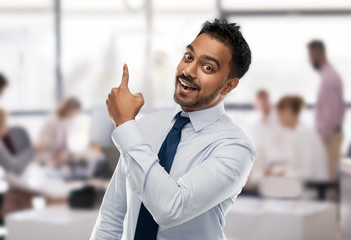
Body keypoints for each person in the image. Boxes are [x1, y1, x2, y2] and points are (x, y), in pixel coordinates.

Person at [91, 19, 255, 240]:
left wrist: (125, 124)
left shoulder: (236, 147)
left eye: (207, 67)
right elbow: (114, 213)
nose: (188, 71)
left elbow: (171, 208)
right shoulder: (146, 126)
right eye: (188, 57)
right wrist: (130, 126)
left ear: (229, 85)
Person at [307, 40, 345, 181]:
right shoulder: (328, 75)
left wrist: (322, 137)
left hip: (330, 137)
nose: (309, 61)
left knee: (329, 178)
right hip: (331, 134)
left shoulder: (329, 78)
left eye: (310, 57)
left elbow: (332, 113)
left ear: (317, 55)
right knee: (329, 176)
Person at [273, 96, 329, 183]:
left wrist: (284, 174)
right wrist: (281, 171)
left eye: (279, 114)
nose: (278, 119)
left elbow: (306, 173)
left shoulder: (303, 134)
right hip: (306, 186)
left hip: (313, 190)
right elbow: (297, 166)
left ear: (287, 111)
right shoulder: (299, 131)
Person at [36, 97, 82, 166]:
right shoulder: (51, 122)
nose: (75, 116)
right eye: (76, 112)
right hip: (47, 162)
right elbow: (40, 150)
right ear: (69, 110)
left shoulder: (65, 122)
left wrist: (70, 155)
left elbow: (64, 147)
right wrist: (54, 157)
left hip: (59, 161)